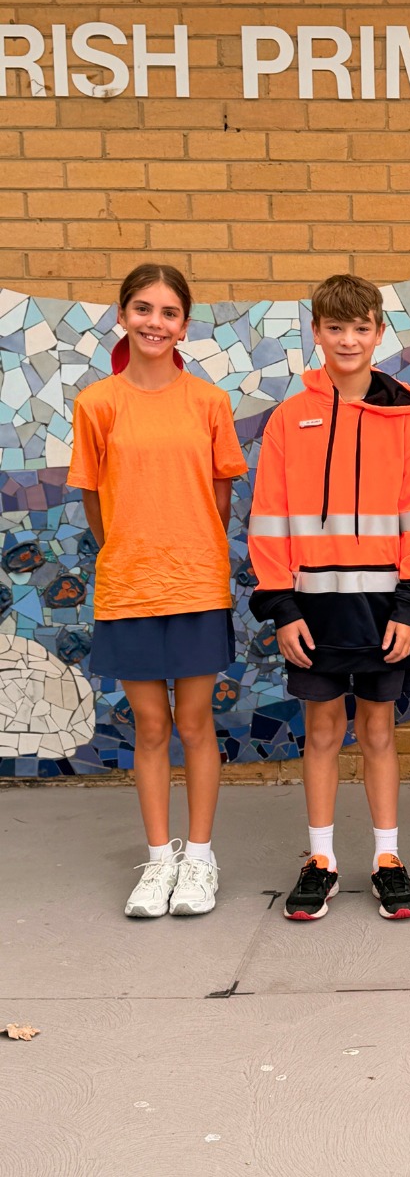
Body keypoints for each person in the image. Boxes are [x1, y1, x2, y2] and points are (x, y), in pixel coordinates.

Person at [248, 274, 410, 922]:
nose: (348, 339)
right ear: (317, 332)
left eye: (361, 328)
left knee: (380, 732)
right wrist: (282, 608)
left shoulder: (407, 419)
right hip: (314, 611)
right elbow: (268, 518)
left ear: (380, 334)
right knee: (323, 732)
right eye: (336, 327)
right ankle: (320, 860)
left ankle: (388, 858)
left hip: (384, 611)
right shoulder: (286, 420)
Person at [68, 263, 247, 918]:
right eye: (143, 309)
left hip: (197, 585)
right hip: (130, 587)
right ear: (122, 316)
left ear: (184, 326)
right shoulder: (97, 404)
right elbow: (94, 496)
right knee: (149, 727)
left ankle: (199, 859)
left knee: (195, 725)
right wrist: (129, 548)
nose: (154, 322)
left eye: (168, 312)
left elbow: (221, 488)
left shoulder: (208, 402)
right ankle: (159, 861)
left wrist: (192, 545)